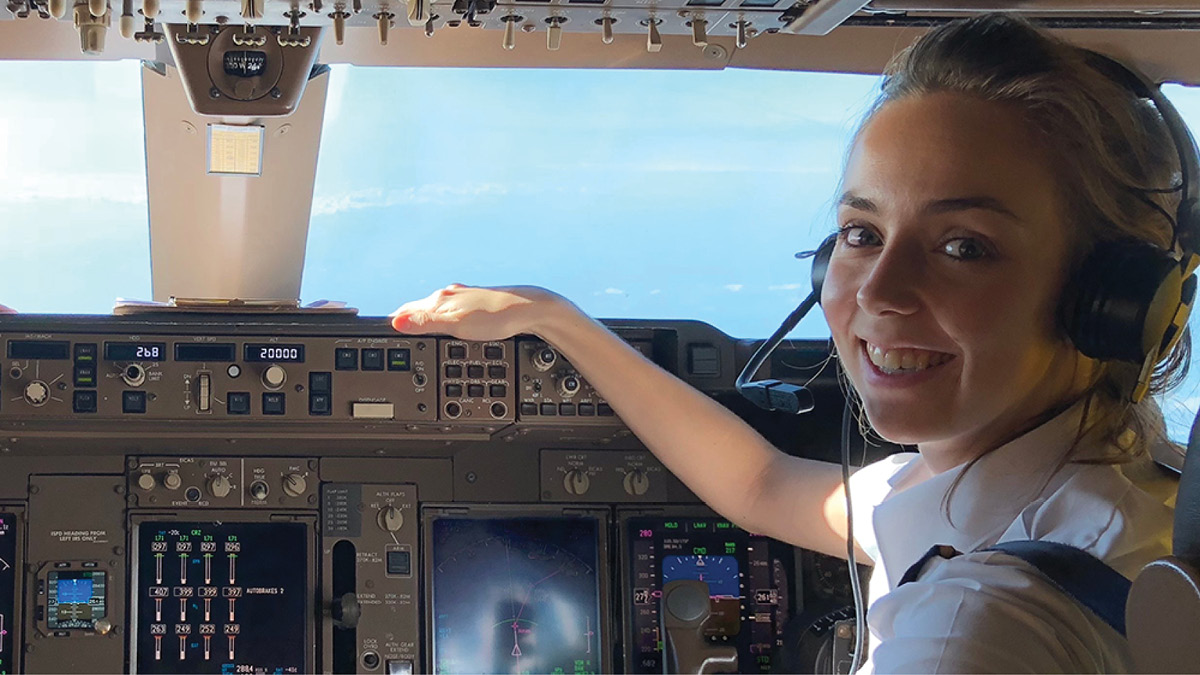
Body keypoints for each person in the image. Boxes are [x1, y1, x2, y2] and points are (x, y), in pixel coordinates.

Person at [392, 15, 1185, 673]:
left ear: (1106, 299)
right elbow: (762, 485)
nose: (877, 291)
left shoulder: (975, 629)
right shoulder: (1106, 491)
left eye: (963, 246)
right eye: (861, 232)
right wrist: (556, 318)